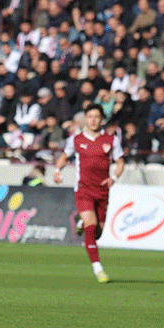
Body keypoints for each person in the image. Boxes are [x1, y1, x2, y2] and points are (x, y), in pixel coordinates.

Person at [53, 104, 125, 283]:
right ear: (85, 118)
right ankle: (98, 268)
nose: (93, 120)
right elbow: (65, 156)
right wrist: (57, 170)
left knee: (97, 233)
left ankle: (80, 220)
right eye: (90, 116)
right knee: (91, 227)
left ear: (102, 119)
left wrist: (113, 178)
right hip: (83, 189)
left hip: (102, 191)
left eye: (97, 117)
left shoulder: (111, 140)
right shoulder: (76, 139)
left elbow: (120, 162)